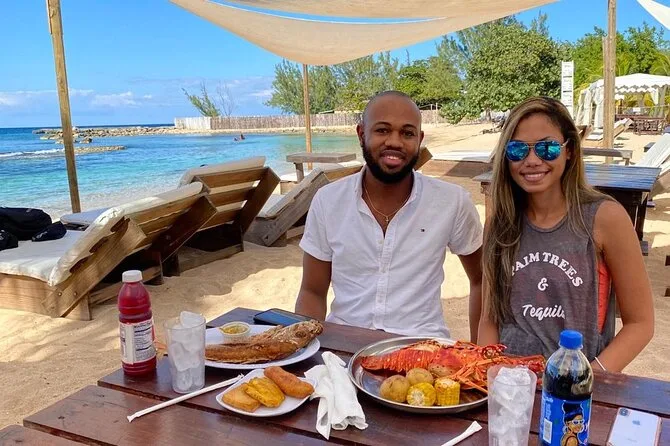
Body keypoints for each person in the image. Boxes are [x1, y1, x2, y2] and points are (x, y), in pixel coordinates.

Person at [478, 97, 654, 372]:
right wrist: (489, 374)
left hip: (576, 383)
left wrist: (587, 378)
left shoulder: (605, 218)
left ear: (569, 150)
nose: (532, 160)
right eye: (517, 149)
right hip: (510, 383)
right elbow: (489, 318)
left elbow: (640, 323)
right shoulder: (499, 224)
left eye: (547, 148)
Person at [295, 91, 483, 339]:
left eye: (407, 133)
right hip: (344, 343)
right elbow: (312, 291)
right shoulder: (328, 201)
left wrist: (478, 351)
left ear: (419, 139)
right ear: (361, 134)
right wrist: (305, 349)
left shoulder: (452, 201)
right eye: (382, 130)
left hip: (423, 346)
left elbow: (482, 280)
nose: (395, 142)